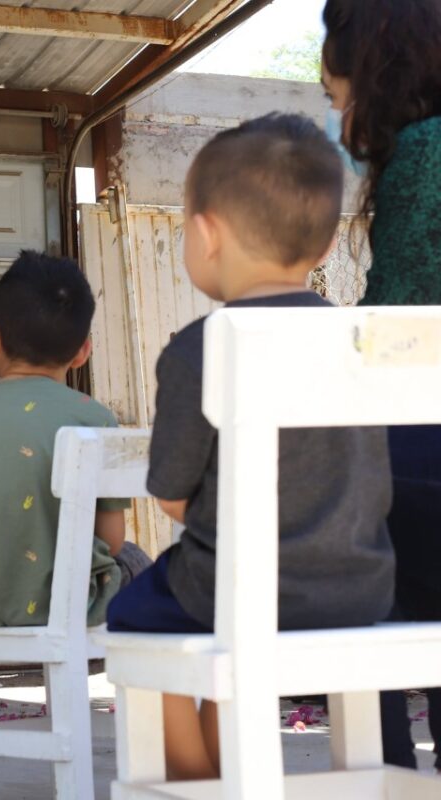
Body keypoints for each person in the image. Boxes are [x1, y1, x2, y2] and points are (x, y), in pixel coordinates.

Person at [105, 114, 396, 781]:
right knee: (215, 620)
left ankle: (193, 781)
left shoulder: (200, 349)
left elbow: (171, 498)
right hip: (362, 589)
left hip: (237, 591)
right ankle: (226, 771)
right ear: (326, 246)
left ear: (207, 234)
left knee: (135, 613)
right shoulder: (361, 344)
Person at [320, 0, 441, 770]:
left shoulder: (424, 154)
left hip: (426, 447)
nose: (340, 127)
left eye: (339, 101)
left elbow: (401, 327)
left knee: (348, 565)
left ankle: (381, 776)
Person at [0, 251, 151, 630]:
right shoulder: (95, 419)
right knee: (135, 561)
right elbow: (112, 539)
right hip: (68, 607)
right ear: (83, 351)